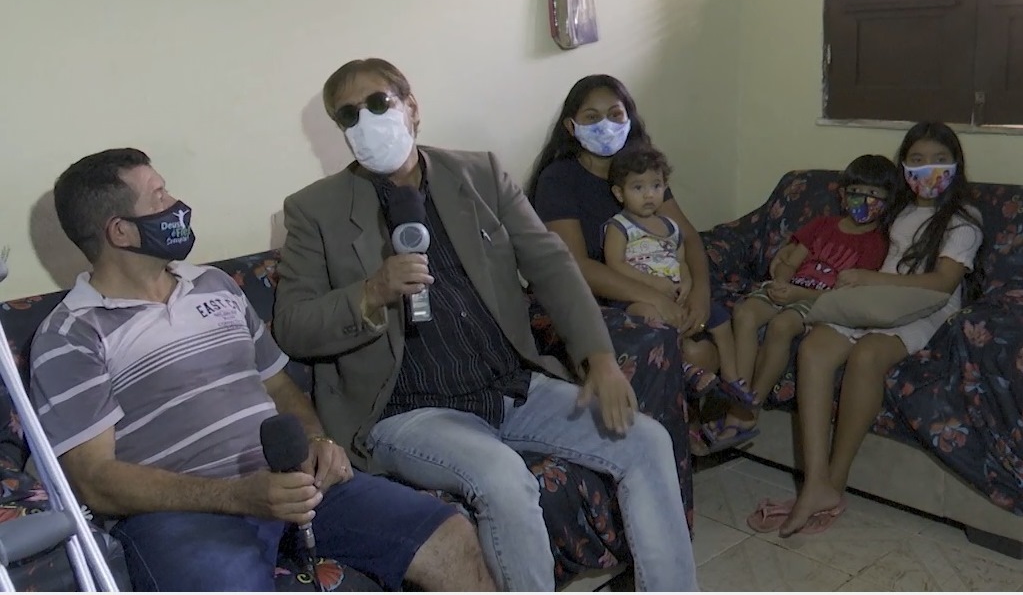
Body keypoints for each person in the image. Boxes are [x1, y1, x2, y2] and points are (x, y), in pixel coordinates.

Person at [272, 58, 698, 592]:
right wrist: (371, 293)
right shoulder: (315, 210)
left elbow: (551, 265)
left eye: (379, 103)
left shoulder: (478, 174)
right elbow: (292, 325)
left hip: (509, 385)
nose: (366, 120)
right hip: (408, 411)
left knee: (647, 441)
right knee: (504, 478)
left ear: (411, 107)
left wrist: (601, 358)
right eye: (349, 114)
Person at [30, 149, 494, 592]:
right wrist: (237, 496)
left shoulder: (214, 284)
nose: (176, 205)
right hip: (185, 513)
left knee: (450, 536)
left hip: (294, 484)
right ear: (121, 232)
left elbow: (279, 387)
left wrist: (316, 441)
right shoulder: (70, 333)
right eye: (159, 197)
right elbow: (94, 479)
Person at [770, 122, 983, 536]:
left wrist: (870, 279)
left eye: (939, 160)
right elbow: (843, 235)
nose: (928, 169)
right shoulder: (897, 209)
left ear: (956, 164)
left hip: (926, 307)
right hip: (876, 300)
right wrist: (793, 255)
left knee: (867, 355)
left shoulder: (963, 219)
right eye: (917, 160)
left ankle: (835, 482)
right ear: (904, 166)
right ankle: (814, 483)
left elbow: (943, 284)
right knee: (814, 349)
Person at [525, 74, 719, 398]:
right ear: (571, 126)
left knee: (704, 350)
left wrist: (700, 292)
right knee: (664, 344)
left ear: (629, 119)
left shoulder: (641, 173)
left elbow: (688, 237)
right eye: (592, 117)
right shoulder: (559, 179)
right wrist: (654, 297)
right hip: (587, 298)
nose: (606, 125)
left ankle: (711, 419)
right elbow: (575, 265)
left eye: (615, 115)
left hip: (654, 285)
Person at [715, 155, 898, 454]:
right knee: (745, 313)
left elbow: (844, 296)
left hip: (816, 301)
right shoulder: (823, 225)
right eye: (856, 192)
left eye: (874, 194)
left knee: (782, 325)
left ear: (888, 202)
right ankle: (740, 395)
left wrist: (797, 295)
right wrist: (781, 280)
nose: (864, 200)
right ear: (843, 194)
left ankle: (750, 407)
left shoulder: (876, 243)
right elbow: (792, 260)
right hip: (790, 288)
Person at [603, 146, 749, 411]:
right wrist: (653, 285)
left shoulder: (671, 226)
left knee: (720, 319)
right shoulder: (620, 226)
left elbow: (681, 261)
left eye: (656, 186)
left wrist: (688, 284)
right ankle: (684, 368)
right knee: (651, 317)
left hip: (675, 295)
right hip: (637, 297)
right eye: (638, 188)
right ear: (619, 193)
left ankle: (731, 380)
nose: (649, 194)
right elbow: (614, 264)